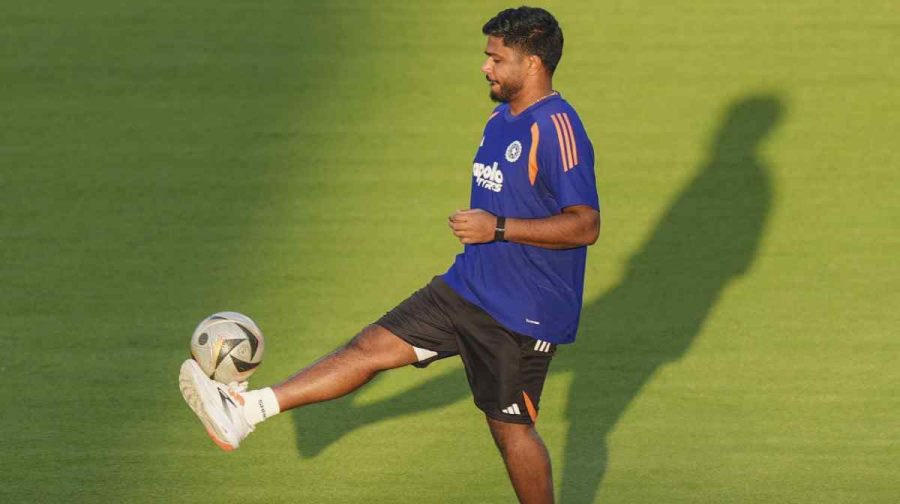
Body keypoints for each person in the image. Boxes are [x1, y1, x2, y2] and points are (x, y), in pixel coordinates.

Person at [179, 6, 599, 503]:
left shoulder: (556, 128)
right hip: (468, 286)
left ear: (532, 64)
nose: (485, 66)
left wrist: (498, 228)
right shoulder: (500, 118)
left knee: (511, 430)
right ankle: (245, 413)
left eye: (496, 58)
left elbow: (585, 224)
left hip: (521, 314)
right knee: (369, 348)